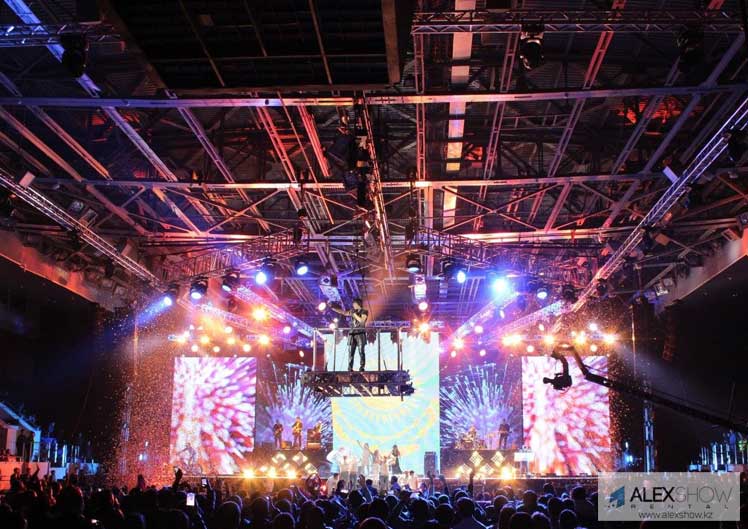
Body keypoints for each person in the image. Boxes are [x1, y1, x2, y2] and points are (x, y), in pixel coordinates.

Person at [331, 298, 369, 371]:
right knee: (351, 352)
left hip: (360, 333)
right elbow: (344, 313)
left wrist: (354, 314)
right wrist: (334, 308)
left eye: (354, 304)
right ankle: (350, 367)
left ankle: (362, 367)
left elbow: (362, 321)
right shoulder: (352, 311)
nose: (353, 305)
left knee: (361, 351)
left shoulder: (364, 311)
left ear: (358, 304)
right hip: (352, 333)